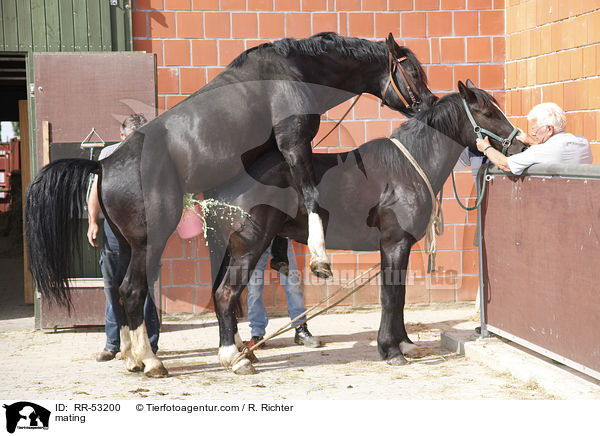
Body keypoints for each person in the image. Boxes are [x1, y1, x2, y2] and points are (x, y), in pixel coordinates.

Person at [87, 114, 161, 362]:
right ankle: (113, 342)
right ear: (122, 136)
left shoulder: (152, 154)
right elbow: (96, 190)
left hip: (144, 227)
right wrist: (92, 222)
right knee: (114, 282)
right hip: (115, 226)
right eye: (131, 138)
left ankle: (149, 342)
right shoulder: (108, 154)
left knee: (144, 283)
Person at [476, 102, 593, 174]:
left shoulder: (538, 152)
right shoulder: (583, 143)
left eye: (535, 130)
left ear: (549, 129)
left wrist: (486, 148)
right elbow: (555, 151)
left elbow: (505, 165)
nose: (533, 134)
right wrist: (532, 142)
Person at [246, 239, 322, 348]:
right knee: (254, 288)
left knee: (292, 284)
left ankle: (300, 328)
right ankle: (257, 334)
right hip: (257, 237)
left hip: (280, 236)